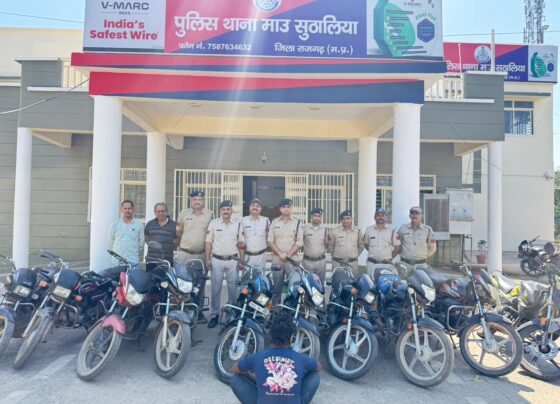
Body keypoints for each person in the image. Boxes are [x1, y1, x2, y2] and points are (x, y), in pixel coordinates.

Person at [231, 313, 321, 404]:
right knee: (315, 375)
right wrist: (300, 370)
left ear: (270, 333)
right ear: (291, 338)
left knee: (236, 379)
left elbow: (235, 368)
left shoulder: (258, 357)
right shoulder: (300, 358)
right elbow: (318, 367)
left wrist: (248, 375)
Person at [205, 200, 245, 329]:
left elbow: (241, 244)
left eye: (228, 209)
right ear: (220, 211)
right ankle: (214, 315)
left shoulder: (238, 225)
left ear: (231, 210)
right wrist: (207, 259)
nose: (226, 211)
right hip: (216, 260)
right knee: (215, 289)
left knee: (233, 289)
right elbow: (208, 243)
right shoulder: (213, 224)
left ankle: (231, 313)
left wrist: (241, 260)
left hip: (233, 260)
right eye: (223, 209)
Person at [176, 190, 213, 324]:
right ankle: (182, 309)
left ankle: (199, 312)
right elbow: (179, 232)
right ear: (191, 201)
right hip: (185, 254)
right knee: (182, 282)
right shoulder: (183, 214)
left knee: (200, 284)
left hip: (201, 255)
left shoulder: (209, 215)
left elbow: (211, 235)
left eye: (200, 199)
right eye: (194, 199)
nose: (197, 202)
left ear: (204, 201)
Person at [267, 199, 304, 305]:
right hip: (277, 259)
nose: (286, 209)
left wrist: (288, 255)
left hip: (292, 260)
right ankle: (275, 310)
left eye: (288, 207)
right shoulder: (274, 222)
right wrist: (280, 254)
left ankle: (291, 311)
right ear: (280, 209)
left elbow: (299, 242)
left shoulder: (298, 222)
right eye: (284, 207)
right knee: (276, 287)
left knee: (294, 287)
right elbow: (270, 240)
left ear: (291, 209)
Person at [363, 208, 400, 276]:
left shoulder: (392, 230)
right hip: (372, 263)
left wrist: (390, 258)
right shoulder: (369, 230)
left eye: (382, 215)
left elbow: (397, 247)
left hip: (387, 264)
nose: (380, 217)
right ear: (374, 217)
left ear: (385, 217)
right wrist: (374, 253)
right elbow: (366, 245)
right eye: (378, 215)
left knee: (386, 281)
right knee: (371, 282)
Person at [108, 200, 144, 268]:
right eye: (125, 208)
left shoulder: (139, 225)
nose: (127, 210)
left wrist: (133, 251)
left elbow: (141, 243)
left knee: (133, 275)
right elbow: (110, 241)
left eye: (129, 208)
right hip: (116, 262)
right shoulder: (115, 224)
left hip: (133, 261)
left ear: (133, 209)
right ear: (122, 210)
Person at [144, 202, 177, 268]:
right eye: (158, 211)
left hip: (167, 261)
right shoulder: (149, 224)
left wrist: (169, 247)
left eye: (162, 211)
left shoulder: (173, 225)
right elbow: (147, 239)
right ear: (155, 212)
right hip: (151, 260)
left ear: (166, 212)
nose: (160, 213)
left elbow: (177, 241)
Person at [241, 199, 270, 270]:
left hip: (261, 256)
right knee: (247, 276)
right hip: (247, 256)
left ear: (261, 209)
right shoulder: (243, 221)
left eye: (257, 206)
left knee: (260, 276)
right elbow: (240, 240)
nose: (255, 207)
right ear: (249, 207)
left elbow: (268, 237)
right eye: (253, 205)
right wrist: (241, 259)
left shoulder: (266, 221)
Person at [302, 208, 328, 284]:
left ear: (321, 217)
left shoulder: (325, 229)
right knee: (308, 284)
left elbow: (327, 244)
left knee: (320, 284)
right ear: (311, 216)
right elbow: (300, 242)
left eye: (318, 216)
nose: (316, 218)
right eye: (315, 216)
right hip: (308, 262)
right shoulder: (305, 229)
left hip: (321, 262)